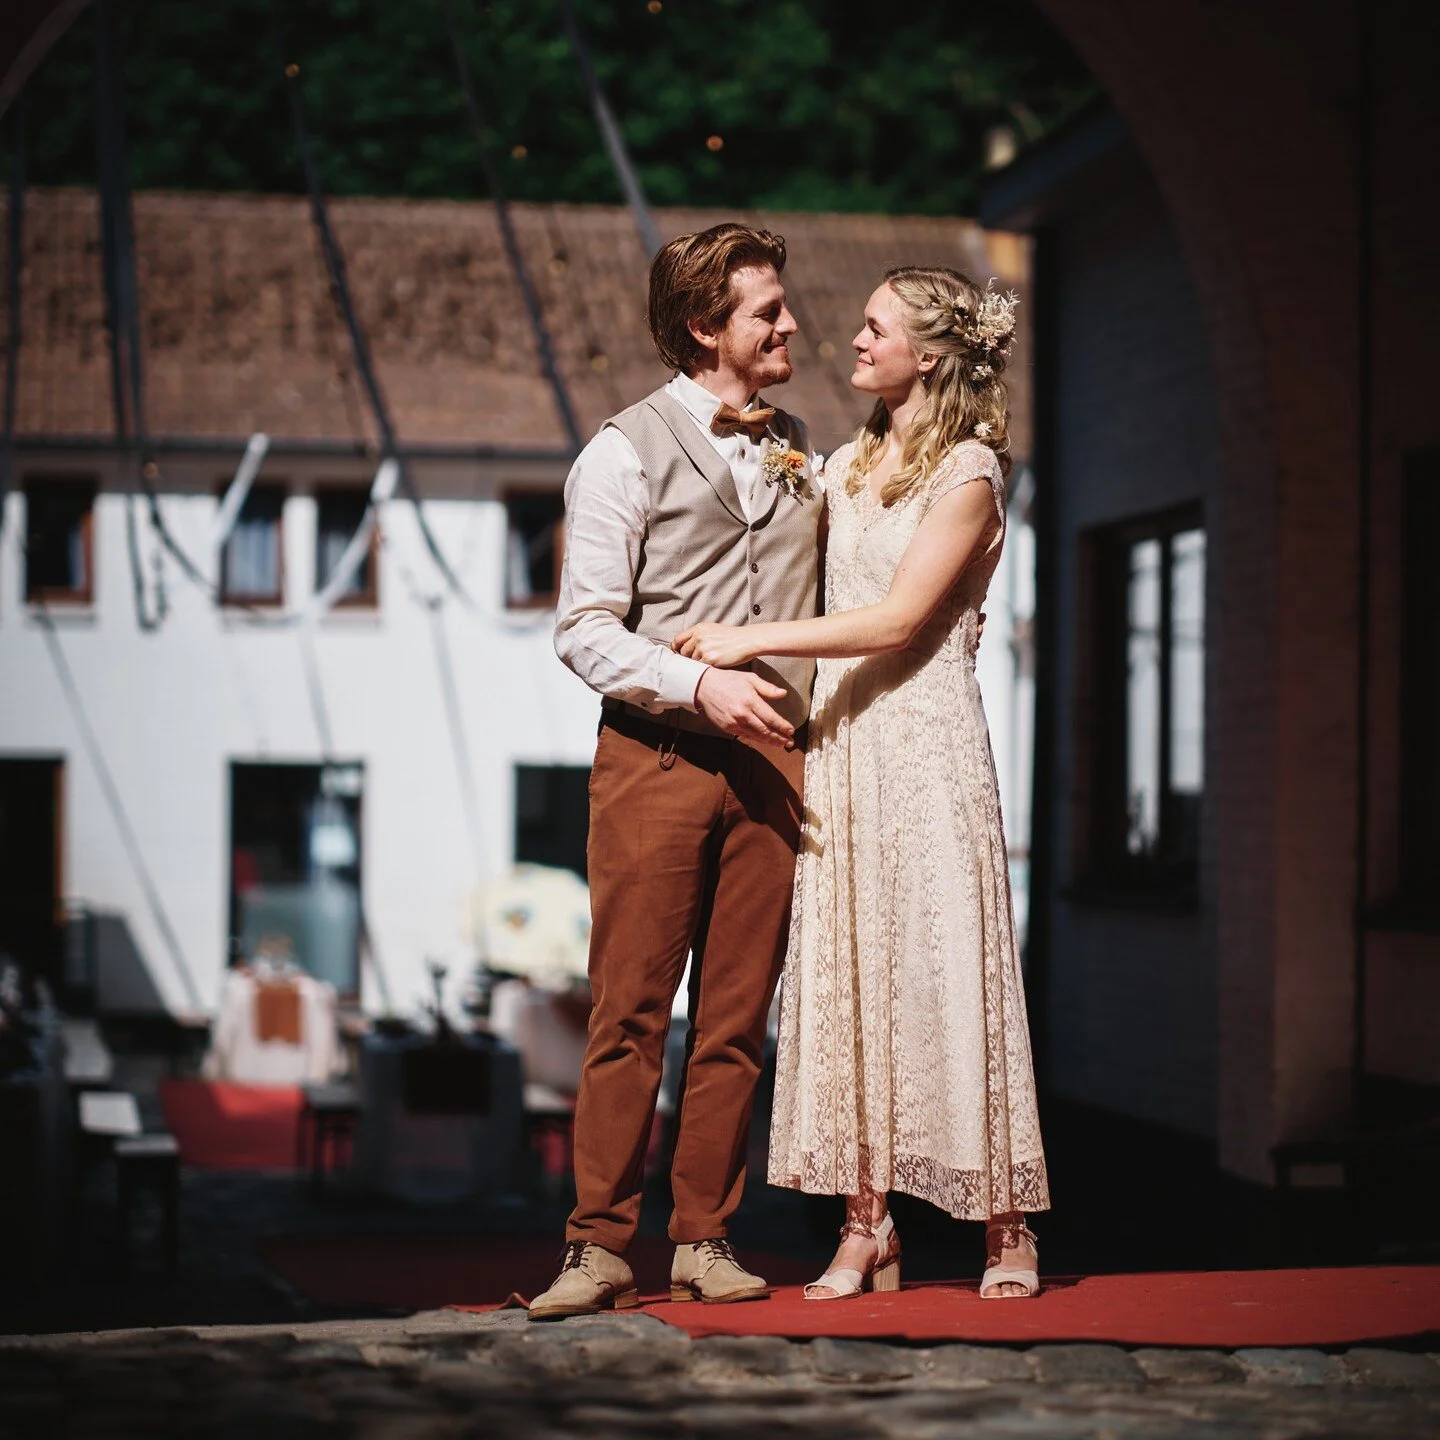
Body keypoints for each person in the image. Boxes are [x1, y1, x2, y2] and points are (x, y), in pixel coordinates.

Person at [675, 265, 1051, 1301]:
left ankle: (1004, 1230)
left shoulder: (969, 470)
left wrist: (748, 639)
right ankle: (864, 1224)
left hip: (926, 746)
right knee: (848, 976)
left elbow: (895, 623)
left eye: (876, 328)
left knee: (948, 970)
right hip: (843, 746)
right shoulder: (841, 464)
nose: (852, 340)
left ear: (927, 355)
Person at [529, 223, 824, 1321]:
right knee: (630, 1015)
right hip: (653, 760)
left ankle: (704, 1235)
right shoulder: (619, 451)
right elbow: (584, 631)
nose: (792, 323)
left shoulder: (806, 449)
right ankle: (597, 1246)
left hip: (770, 776)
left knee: (739, 1020)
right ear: (706, 327)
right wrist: (700, 686)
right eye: (768, 311)